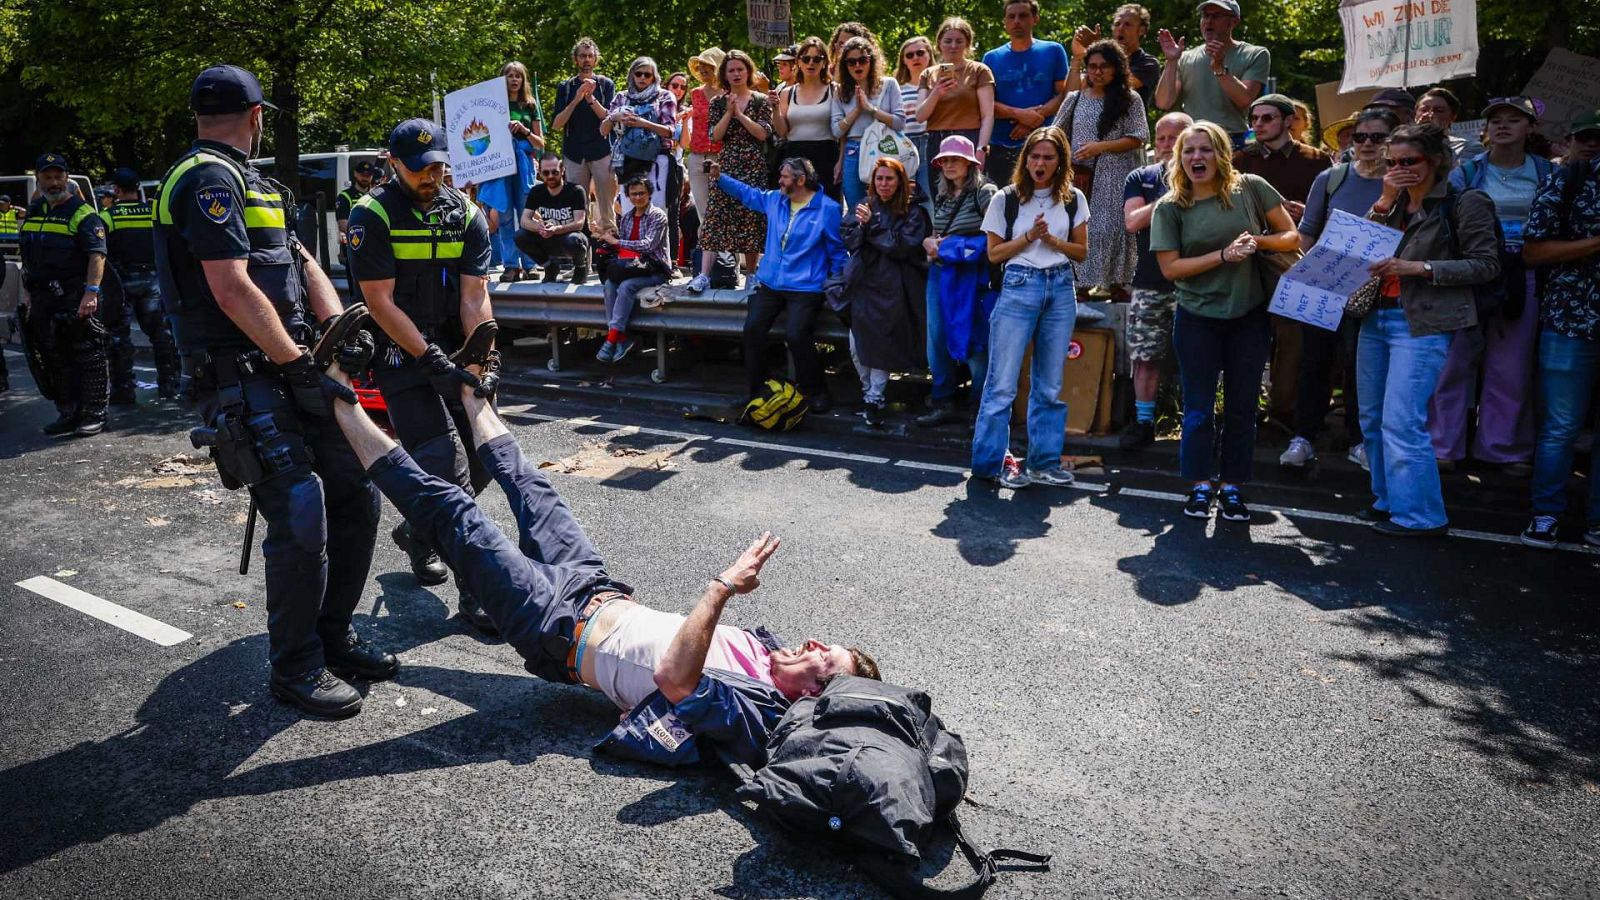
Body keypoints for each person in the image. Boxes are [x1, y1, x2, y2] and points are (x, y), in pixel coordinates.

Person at [315, 347, 878, 765]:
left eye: (824, 658)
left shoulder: (752, 710)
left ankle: (337, 395)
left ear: (814, 694)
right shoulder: (765, 652)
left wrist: (723, 587)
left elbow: (673, 679)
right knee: (532, 486)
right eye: (824, 643)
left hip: (551, 625)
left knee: (454, 512)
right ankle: (470, 386)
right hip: (594, 585)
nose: (814, 643)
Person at [153, 65, 394, 716]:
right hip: (241, 375)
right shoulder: (207, 177)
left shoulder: (257, 181)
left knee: (356, 493)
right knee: (300, 510)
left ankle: (334, 634)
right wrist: (297, 362)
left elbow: (300, 259)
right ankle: (295, 666)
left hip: (293, 366)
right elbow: (230, 287)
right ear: (257, 115)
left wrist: (341, 328)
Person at [347, 117, 499, 633]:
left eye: (437, 167)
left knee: (485, 456)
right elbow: (380, 303)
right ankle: (477, 588)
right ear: (394, 165)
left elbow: (474, 296)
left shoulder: (466, 214)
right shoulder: (371, 214)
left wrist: (481, 358)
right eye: (418, 169)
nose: (430, 177)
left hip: (454, 347)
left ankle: (418, 529)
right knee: (446, 468)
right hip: (400, 356)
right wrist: (430, 359)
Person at [1149, 121, 1298, 522]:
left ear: (1221, 154)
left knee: (1242, 408)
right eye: (1189, 151)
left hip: (1249, 316)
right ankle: (1199, 485)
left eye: (1206, 149)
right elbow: (1170, 268)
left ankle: (1232, 487)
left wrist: (1256, 242)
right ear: (1179, 158)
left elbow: (1291, 237)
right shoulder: (1170, 206)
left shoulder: (1250, 187)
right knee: (1198, 409)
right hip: (1197, 318)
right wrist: (1223, 256)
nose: (1197, 157)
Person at [1358, 123, 1500, 537]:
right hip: (1376, 316)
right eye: (1392, 163)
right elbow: (1360, 246)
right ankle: (1388, 501)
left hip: (1421, 321)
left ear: (1436, 160)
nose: (1399, 170)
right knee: (1372, 419)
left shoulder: (1466, 201)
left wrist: (1419, 268)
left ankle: (1421, 517)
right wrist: (1384, 200)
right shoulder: (1393, 202)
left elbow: (1486, 265)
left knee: (1402, 420)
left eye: (1409, 161)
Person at [1430, 97, 1552, 473]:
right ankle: (1442, 445)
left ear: (1530, 128)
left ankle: (1504, 448)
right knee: (1453, 362)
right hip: (1469, 275)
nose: (1502, 126)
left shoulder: (1547, 172)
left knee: (1511, 365)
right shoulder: (1466, 172)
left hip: (1522, 275)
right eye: (1496, 120)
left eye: (1513, 120)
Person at [970, 125, 1089, 489]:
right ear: (1025, 160)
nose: (1040, 163)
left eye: (1048, 157)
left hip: (1060, 286)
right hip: (1019, 284)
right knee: (1002, 384)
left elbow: (1081, 252)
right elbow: (994, 254)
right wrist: (1028, 238)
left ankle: (1044, 462)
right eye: (1034, 156)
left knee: (1049, 385)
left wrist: (1051, 240)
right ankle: (990, 465)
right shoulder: (1006, 198)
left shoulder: (1073, 198)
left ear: (1060, 161)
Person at [1281, 107, 1399, 471]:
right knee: (1314, 362)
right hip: (1326, 285)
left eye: (1377, 137)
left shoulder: (1399, 181)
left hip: (1376, 289)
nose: (1367, 144)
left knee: (1359, 366)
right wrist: (1303, 276)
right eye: (1360, 136)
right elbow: (1307, 232)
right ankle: (1304, 437)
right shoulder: (1331, 178)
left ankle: (1360, 440)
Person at [1519, 115, 1600, 548]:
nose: (1595, 145)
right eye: (1588, 138)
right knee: (1560, 427)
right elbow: (1532, 252)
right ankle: (1546, 515)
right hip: (1571, 321)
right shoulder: (1567, 181)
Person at [710, 155, 847, 412]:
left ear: (801, 180)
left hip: (806, 287)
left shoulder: (827, 209)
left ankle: (815, 391)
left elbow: (838, 252)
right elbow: (748, 194)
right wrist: (720, 178)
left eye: (784, 177)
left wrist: (837, 284)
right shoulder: (775, 199)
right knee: (752, 330)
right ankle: (759, 391)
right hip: (771, 284)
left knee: (796, 335)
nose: (779, 181)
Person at [18, 152, 113, 437]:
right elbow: (29, 255)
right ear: (38, 179)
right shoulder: (35, 211)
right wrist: (28, 293)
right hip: (43, 297)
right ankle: (69, 412)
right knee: (54, 357)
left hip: (74, 296)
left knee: (88, 355)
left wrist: (91, 292)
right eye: (47, 177)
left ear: (67, 178)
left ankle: (95, 414)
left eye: (59, 176)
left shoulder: (82, 213)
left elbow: (97, 255)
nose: (54, 182)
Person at [1118, 111, 1193, 450]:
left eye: (1173, 138)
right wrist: (1173, 194)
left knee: (1197, 357)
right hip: (1150, 281)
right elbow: (1133, 222)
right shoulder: (1142, 177)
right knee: (1144, 356)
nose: (1165, 144)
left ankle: (1196, 423)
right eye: (1160, 138)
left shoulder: (1207, 175)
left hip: (1196, 282)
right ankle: (1143, 422)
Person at [1053, 39, 1148, 301]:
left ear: (1116, 68)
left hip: (1117, 174)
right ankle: (1081, 287)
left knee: (1114, 229)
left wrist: (1101, 147)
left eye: (1104, 66)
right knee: (1082, 228)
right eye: (1092, 66)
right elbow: (1056, 133)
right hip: (1081, 176)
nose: (1097, 71)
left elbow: (1139, 136)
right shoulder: (1075, 99)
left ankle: (1117, 284)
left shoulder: (1130, 99)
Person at [840, 157, 930, 426]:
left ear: (900, 181)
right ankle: (869, 393)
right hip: (862, 284)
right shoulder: (864, 206)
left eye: (889, 179)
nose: (883, 184)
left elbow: (901, 246)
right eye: (879, 178)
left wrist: (872, 226)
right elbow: (850, 240)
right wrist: (863, 226)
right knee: (856, 346)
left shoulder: (914, 212)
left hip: (894, 287)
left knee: (880, 346)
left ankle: (874, 397)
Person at [919, 136, 1000, 428]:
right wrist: (929, 242)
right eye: (945, 160)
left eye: (955, 159)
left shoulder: (985, 192)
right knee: (936, 338)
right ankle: (943, 400)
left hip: (972, 274)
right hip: (941, 272)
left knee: (975, 337)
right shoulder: (943, 194)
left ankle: (979, 404)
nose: (949, 165)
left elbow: (997, 235)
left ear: (970, 163)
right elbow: (938, 234)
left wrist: (953, 247)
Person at [691, 50, 772, 294]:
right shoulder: (718, 102)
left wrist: (740, 115)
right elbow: (715, 136)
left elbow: (763, 134)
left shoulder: (760, 100)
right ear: (724, 75)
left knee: (751, 218)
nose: (736, 74)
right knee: (715, 216)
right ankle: (704, 275)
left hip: (753, 163)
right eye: (731, 70)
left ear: (748, 71)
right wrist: (728, 112)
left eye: (740, 69)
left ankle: (751, 274)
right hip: (726, 163)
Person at [103, 166, 181, 402]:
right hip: (153, 281)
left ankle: (124, 389)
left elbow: (99, 252)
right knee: (162, 335)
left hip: (120, 283)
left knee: (119, 338)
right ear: (138, 188)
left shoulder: (108, 216)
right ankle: (169, 384)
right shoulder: (152, 213)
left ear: (116, 190)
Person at [1153, 0, 1269, 150]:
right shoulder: (1184, 58)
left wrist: (1219, 68)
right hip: (1192, 140)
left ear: (1234, 21)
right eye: (1205, 15)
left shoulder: (1255, 54)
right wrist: (1171, 61)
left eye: (1216, 16)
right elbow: (1164, 103)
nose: (1208, 21)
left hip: (1233, 140)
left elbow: (1244, 100)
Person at [982, 1, 1069, 186]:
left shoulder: (1054, 51)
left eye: (1022, 16)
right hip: (1001, 145)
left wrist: (1035, 118)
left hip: (1045, 146)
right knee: (1004, 200)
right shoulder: (991, 58)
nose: (1016, 21)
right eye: (1011, 16)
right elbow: (986, 103)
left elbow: (1064, 95)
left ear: (1035, 19)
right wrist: (1019, 114)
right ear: (1005, 22)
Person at [478, 61, 545, 283]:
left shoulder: (530, 105)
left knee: (526, 214)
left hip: (523, 163)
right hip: (500, 165)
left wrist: (524, 131)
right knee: (505, 216)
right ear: (502, 79)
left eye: (518, 76)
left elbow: (540, 143)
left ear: (523, 80)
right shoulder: (492, 105)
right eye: (510, 75)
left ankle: (530, 264)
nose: (514, 80)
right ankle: (510, 266)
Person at [594, 175, 670, 363]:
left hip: (655, 269)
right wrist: (608, 239)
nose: (637, 197)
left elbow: (648, 246)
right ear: (627, 196)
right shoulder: (627, 217)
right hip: (632, 267)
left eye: (641, 193)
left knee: (626, 286)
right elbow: (624, 248)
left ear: (649, 194)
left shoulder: (658, 215)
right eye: (633, 194)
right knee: (610, 284)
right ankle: (620, 338)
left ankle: (611, 340)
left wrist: (617, 242)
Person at [916, 18, 995, 197]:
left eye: (959, 41)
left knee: (970, 198)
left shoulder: (979, 71)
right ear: (939, 44)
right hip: (937, 142)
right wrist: (937, 92)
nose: (953, 46)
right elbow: (920, 116)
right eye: (948, 41)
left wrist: (981, 150)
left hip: (969, 140)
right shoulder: (928, 74)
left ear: (967, 44)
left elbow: (988, 116)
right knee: (940, 198)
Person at [553, 38, 620, 237]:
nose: (587, 60)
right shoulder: (565, 87)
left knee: (606, 210)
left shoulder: (606, 84)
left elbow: (609, 119)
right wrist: (576, 99)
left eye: (590, 56)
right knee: (577, 207)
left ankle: (609, 247)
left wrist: (590, 98)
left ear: (596, 59)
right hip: (574, 154)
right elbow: (556, 124)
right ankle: (579, 248)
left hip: (601, 151)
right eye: (582, 56)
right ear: (575, 59)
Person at [831, 36, 905, 212]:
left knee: (888, 204)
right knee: (856, 208)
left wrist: (870, 109)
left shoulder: (889, 84)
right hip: (853, 150)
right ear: (845, 65)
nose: (857, 65)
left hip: (884, 148)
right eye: (851, 62)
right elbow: (836, 131)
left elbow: (899, 122)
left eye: (863, 60)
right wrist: (857, 110)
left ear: (871, 60)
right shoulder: (840, 91)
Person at [601, 56, 678, 221]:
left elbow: (670, 132)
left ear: (654, 77)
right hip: (627, 161)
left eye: (647, 75)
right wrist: (615, 117)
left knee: (657, 213)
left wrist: (643, 123)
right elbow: (603, 130)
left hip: (657, 160)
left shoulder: (665, 96)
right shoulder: (621, 97)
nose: (642, 78)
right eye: (638, 74)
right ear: (632, 75)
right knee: (630, 212)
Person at [772, 37, 839, 200]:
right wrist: (774, 108)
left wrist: (841, 162)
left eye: (817, 59)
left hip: (826, 156)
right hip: (794, 157)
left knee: (825, 206)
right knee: (794, 207)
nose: (811, 63)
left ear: (824, 63)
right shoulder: (787, 93)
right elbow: (782, 131)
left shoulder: (834, 90)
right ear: (798, 62)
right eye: (806, 58)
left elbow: (842, 131)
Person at [515, 153, 592, 283]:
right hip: (548, 238)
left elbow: (579, 223)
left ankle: (580, 267)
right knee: (520, 236)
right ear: (540, 173)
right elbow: (524, 220)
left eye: (554, 172)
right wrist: (538, 227)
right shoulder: (536, 191)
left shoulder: (575, 190)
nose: (550, 176)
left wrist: (556, 229)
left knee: (574, 240)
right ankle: (550, 266)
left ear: (562, 171)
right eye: (546, 173)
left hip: (571, 239)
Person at [1069, 4, 1162, 111]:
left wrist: (1098, 49)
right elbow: (1072, 96)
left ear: (1141, 30)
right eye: (1117, 24)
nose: (1120, 29)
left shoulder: (1147, 63)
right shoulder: (1096, 60)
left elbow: (1117, 86)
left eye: (1127, 24)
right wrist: (1078, 58)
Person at [682, 47, 726, 265]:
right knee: (703, 209)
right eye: (700, 66)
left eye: (708, 65)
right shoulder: (696, 93)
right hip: (698, 155)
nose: (703, 69)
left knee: (723, 207)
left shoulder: (728, 94)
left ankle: (729, 261)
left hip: (721, 156)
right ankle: (710, 262)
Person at [894, 35, 934, 193]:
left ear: (929, 55)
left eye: (920, 53)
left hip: (929, 141)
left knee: (928, 194)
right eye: (909, 55)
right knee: (903, 194)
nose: (915, 58)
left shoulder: (938, 86)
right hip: (903, 144)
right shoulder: (897, 88)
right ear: (904, 61)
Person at [1417, 87, 1481, 165]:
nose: (1429, 115)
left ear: (1452, 117)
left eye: (1439, 110)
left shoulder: (1469, 148)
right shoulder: (1405, 145)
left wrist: (1436, 135)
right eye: (1424, 110)